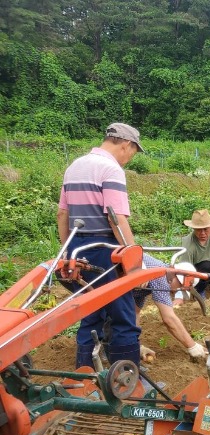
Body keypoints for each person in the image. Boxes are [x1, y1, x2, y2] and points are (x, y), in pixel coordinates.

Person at [57, 123, 143, 369]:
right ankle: (127, 378)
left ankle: (86, 375)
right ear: (126, 145)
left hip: (78, 248)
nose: (129, 160)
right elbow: (115, 218)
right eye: (133, 153)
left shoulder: (74, 166)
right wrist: (134, 259)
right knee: (123, 314)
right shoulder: (111, 169)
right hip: (105, 249)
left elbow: (62, 214)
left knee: (90, 311)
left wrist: (69, 252)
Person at [133, 255, 207, 361]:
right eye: (179, 287)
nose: (176, 290)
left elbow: (133, 313)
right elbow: (169, 319)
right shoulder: (161, 276)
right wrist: (193, 346)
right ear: (176, 275)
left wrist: (136, 346)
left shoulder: (145, 288)